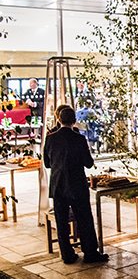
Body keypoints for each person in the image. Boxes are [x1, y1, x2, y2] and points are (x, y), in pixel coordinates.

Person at [43, 107, 108, 264]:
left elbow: (47, 163)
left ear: (59, 119)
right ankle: (90, 253)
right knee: (84, 219)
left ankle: (67, 255)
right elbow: (89, 163)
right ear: (74, 121)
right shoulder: (79, 139)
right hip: (77, 184)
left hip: (58, 185)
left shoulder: (50, 138)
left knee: (61, 221)